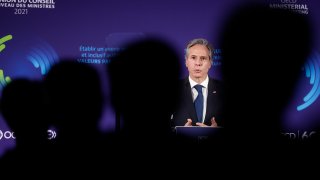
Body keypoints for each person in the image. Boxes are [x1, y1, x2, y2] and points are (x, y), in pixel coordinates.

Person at [172, 38, 224, 127]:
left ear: (210, 63)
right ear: (186, 61)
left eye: (203, 58)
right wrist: (180, 132)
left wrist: (217, 132)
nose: (198, 63)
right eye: (193, 58)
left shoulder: (224, 90)